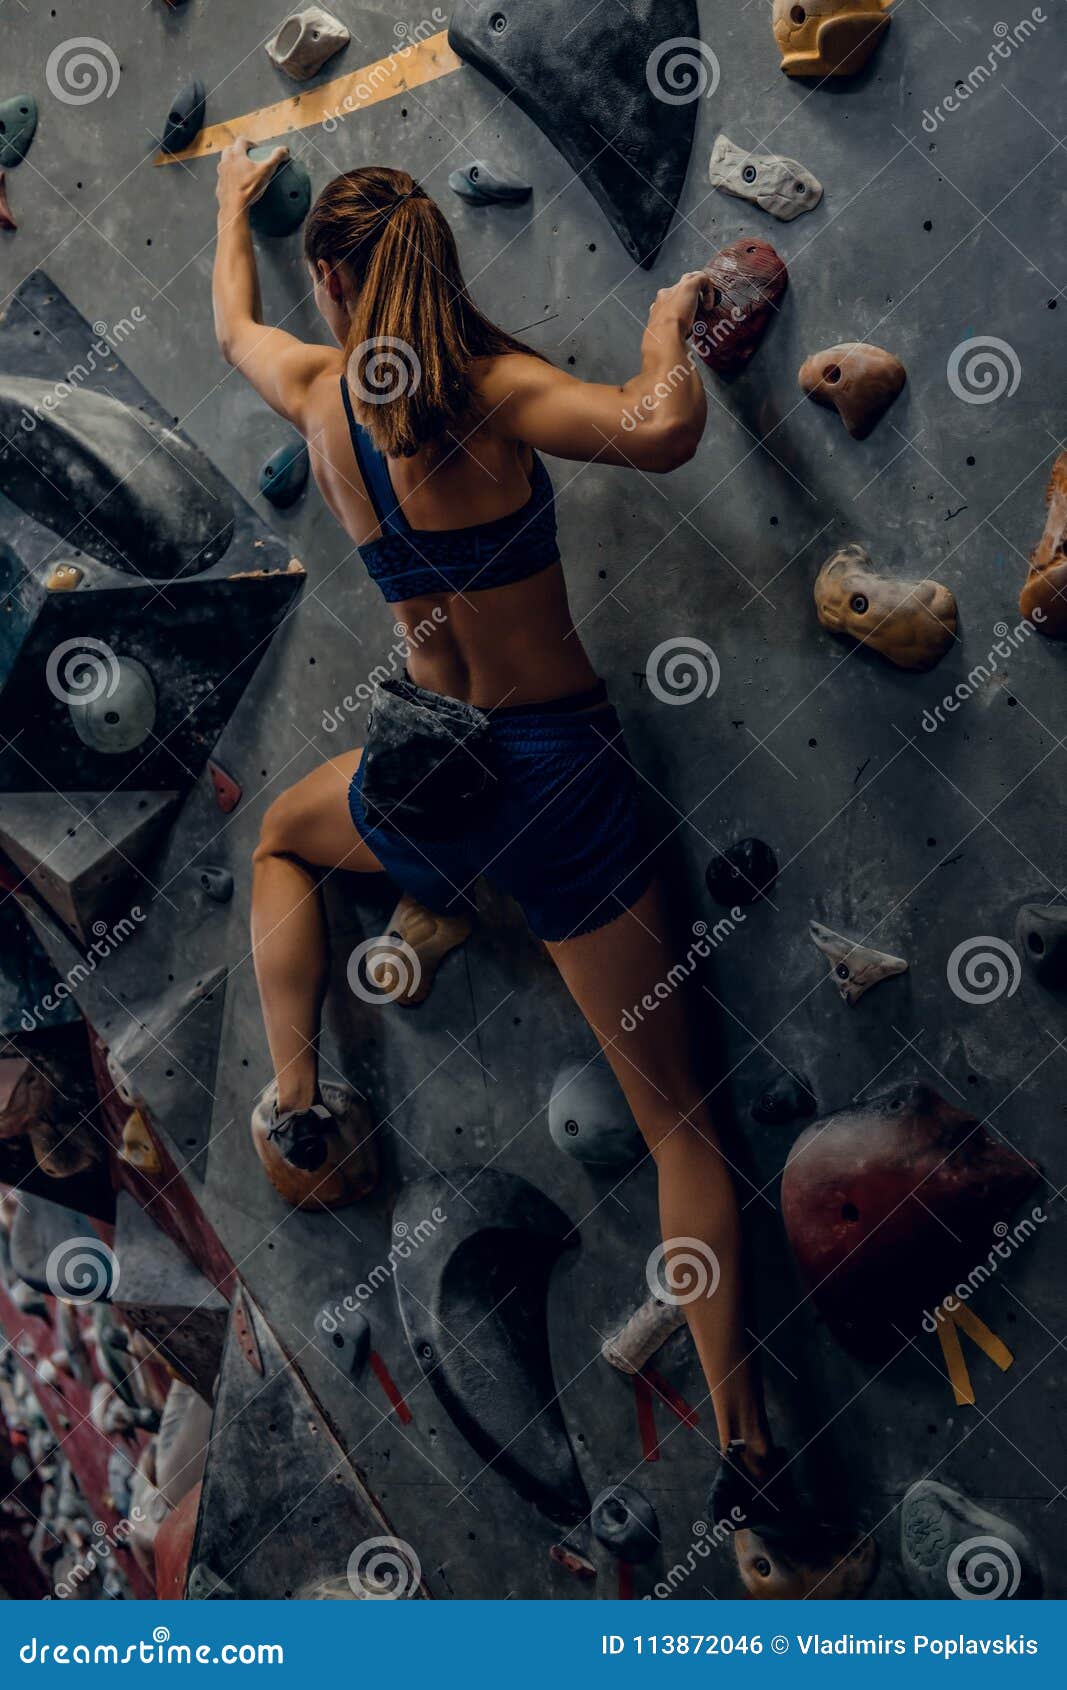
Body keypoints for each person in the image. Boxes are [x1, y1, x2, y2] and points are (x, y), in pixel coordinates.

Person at [212, 141, 864, 1596]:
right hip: (559, 783)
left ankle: (302, 1096)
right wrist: (660, 327)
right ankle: (754, 1459)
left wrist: (221, 208)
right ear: (431, 267)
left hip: (430, 781)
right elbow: (661, 428)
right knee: (687, 1127)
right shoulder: (489, 398)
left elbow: (231, 330)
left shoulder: (321, 397)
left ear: (330, 279)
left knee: (281, 834)